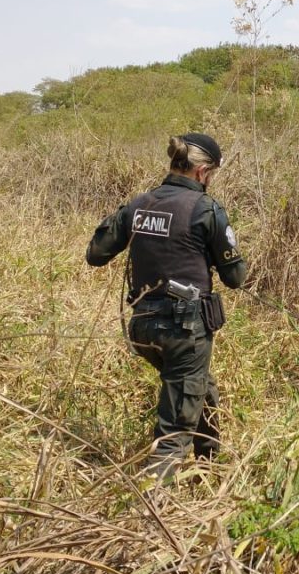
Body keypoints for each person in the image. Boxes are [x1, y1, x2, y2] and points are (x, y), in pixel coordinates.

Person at [86, 133, 247, 479]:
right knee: (175, 430)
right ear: (202, 172)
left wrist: (133, 218)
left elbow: (96, 253)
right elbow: (236, 277)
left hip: (143, 327)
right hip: (184, 330)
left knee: (200, 386)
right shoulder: (206, 209)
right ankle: (152, 512)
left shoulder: (139, 204)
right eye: (212, 175)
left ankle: (208, 468)